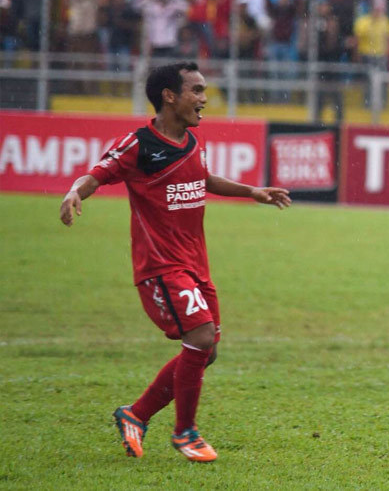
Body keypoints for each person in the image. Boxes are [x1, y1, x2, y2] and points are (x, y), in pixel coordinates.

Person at [59, 62, 291, 462]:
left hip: (196, 265)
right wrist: (73, 192)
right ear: (170, 95)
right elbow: (95, 175)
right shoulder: (137, 144)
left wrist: (251, 191)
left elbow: (204, 179)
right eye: (196, 91)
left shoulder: (191, 141)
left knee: (207, 350)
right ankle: (185, 432)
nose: (204, 99)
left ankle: (136, 413)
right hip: (160, 268)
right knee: (200, 339)